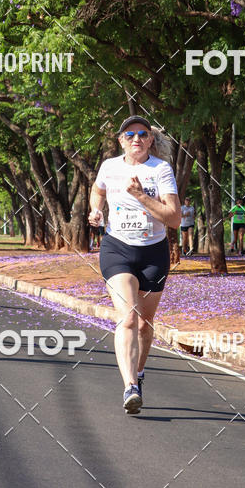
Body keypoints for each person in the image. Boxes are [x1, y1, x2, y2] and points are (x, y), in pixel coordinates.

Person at [89, 116, 180, 414]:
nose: (136, 139)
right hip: (117, 249)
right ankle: (129, 386)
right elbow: (98, 190)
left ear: (151, 139)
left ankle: (138, 374)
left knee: (144, 324)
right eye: (130, 134)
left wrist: (141, 196)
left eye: (143, 134)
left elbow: (174, 219)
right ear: (121, 140)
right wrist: (95, 211)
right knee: (128, 317)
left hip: (153, 253)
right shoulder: (109, 167)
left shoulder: (160, 170)